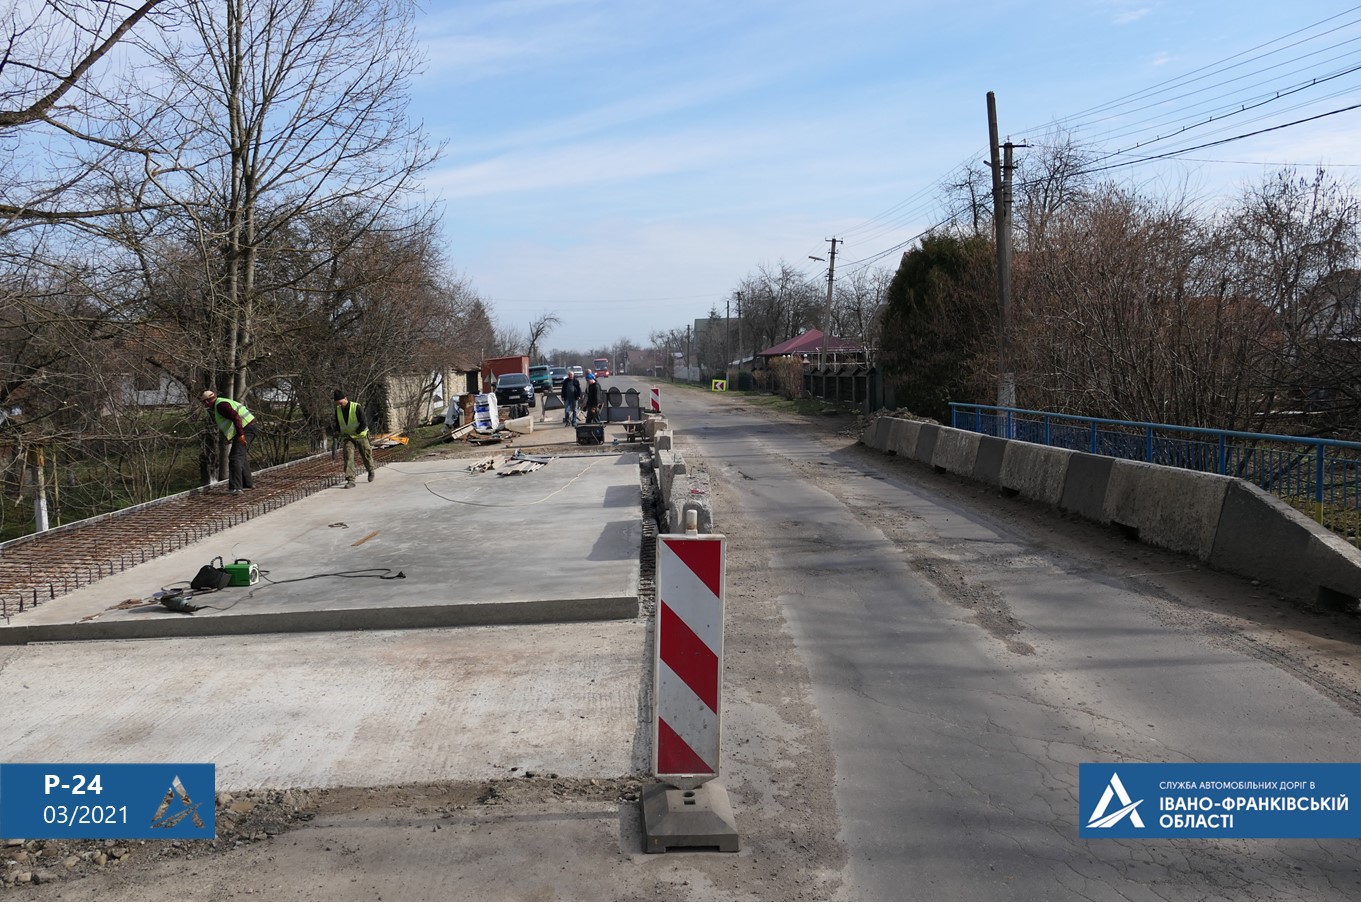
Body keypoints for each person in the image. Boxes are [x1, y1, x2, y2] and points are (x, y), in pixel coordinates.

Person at [200, 389, 256, 495]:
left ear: (207, 401)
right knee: (240, 455)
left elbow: (237, 418)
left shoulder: (221, 406)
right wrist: (230, 438)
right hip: (248, 427)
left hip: (246, 429)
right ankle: (246, 484)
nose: (205, 405)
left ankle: (236, 488)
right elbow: (231, 422)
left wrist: (241, 435)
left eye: (204, 403)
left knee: (235, 457)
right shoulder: (221, 403)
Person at [333, 389, 376, 488]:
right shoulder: (338, 410)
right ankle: (350, 479)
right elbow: (338, 424)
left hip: (361, 435)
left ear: (345, 398)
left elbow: (364, 422)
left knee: (366, 454)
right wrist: (337, 433)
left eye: (341, 402)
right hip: (349, 437)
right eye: (338, 403)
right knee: (348, 455)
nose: (340, 405)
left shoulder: (356, 407)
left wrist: (357, 432)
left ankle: (371, 470)